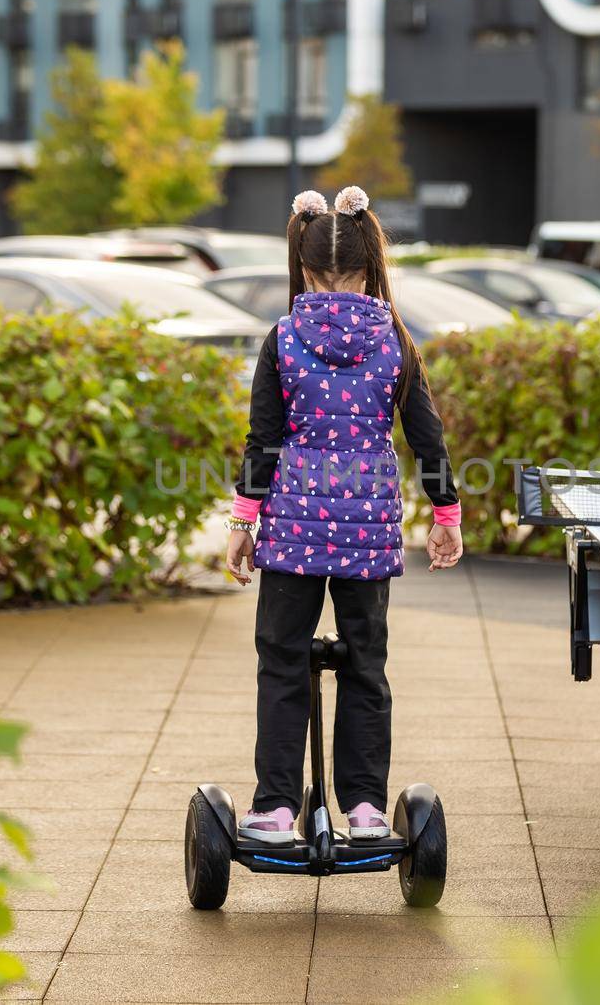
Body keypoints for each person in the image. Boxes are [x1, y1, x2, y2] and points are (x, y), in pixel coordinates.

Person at [224, 184, 464, 844]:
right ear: (368, 268)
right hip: (368, 536)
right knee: (366, 663)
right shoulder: (395, 340)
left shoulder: (283, 338)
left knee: (280, 661)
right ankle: (363, 806)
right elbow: (426, 435)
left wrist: (242, 524)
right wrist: (447, 513)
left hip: (293, 536)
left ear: (302, 267)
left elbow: (263, 439)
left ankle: (275, 805)